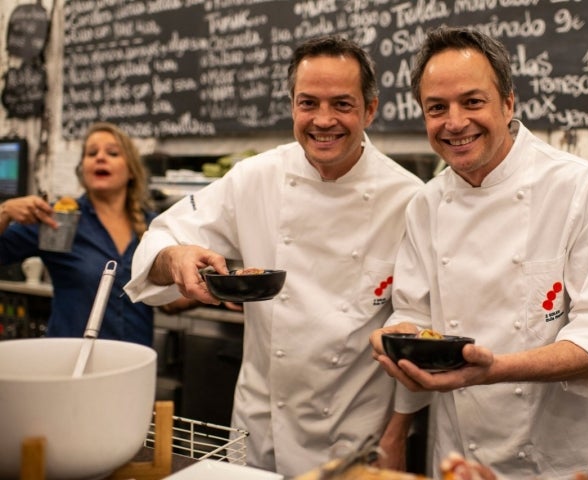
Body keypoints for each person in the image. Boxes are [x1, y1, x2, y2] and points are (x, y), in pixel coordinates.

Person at [124, 35, 423, 476]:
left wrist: (397, 435)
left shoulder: (408, 200)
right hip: (260, 425)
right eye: (308, 103)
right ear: (292, 106)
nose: (323, 120)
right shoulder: (254, 177)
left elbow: (417, 324)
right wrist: (177, 257)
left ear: (370, 109)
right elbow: (164, 234)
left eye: (342, 104)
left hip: (356, 436)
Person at [370, 26, 588, 480]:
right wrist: (394, 337)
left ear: (508, 103)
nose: (454, 123)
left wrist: (496, 369)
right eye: (437, 108)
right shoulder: (427, 204)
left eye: (472, 102)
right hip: (461, 457)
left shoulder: (575, 186)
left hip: (560, 461)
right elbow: (413, 312)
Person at [0, 122, 194, 346]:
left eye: (112, 153)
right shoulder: (57, 218)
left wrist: (215, 293)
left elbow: (169, 304)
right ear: (83, 169)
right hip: (71, 364)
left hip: (132, 364)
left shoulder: (155, 227)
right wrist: (5, 211)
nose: (100, 157)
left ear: (131, 170)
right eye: (91, 153)